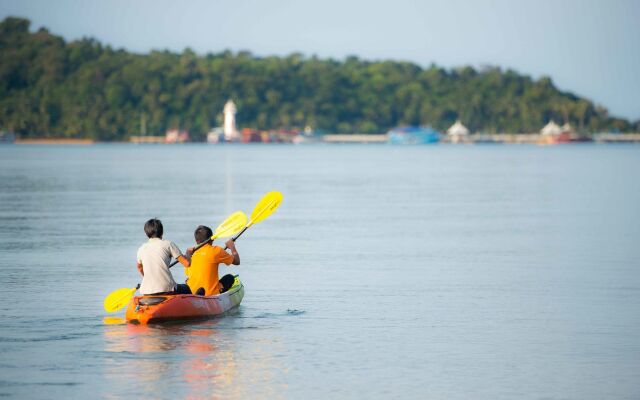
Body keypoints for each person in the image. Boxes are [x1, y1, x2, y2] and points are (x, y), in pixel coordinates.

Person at [136, 218, 192, 295]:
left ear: (146, 234)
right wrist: (189, 253)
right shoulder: (168, 244)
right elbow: (187, 264)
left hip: (146, 290)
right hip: (166, 289)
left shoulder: (141, 249)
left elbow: (139, 267)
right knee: (186, 288)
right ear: (162, 232)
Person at [186, 225, 240, 296]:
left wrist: (188, 256)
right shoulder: (216, 250)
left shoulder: (190, 254)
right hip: (210, 293)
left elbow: (188, 275)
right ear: (212, 239)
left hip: (192, 292)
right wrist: (232, 247)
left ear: (196, 241)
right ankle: (217, 290)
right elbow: (237, 261)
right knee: (229, 278)